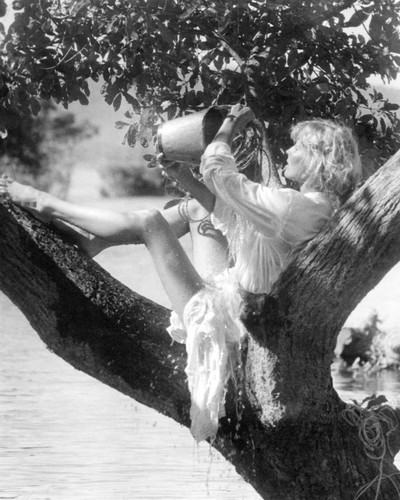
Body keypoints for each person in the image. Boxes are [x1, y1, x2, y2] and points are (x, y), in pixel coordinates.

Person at [0, 104, 362, 442]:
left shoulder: (297, 208)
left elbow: (219, 173)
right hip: (236, 300)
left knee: (149, 221)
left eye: (297, 147)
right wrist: (182, 175)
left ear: (315, 159)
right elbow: (228, 212)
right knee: (197, 210)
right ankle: (93, 241)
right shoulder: (311, 207)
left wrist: (228, 128)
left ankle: (43, 202)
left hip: (227, 324)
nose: (288, 151)